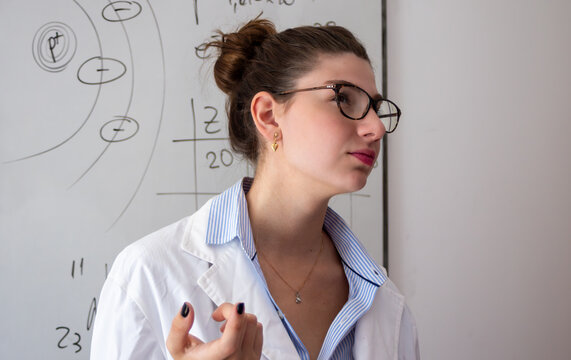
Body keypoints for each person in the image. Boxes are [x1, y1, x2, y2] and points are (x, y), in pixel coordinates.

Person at [90, 17, 419, 360]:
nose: (376, 127)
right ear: (268, 116)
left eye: (376, 108)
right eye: (345, 99)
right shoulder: (149, 273)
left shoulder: (381, 300)